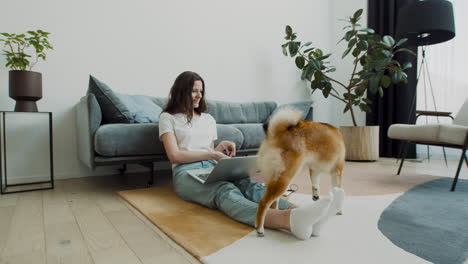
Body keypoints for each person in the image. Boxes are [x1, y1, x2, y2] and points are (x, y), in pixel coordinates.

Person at [159, 71, 344, 240]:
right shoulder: (168, 117)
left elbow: (207, 149)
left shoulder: (208, 119)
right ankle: (288, 220)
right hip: (185, 173)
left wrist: (218, 148)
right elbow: (174, 156)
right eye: (193, 91)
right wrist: (211, 153)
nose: (199, 95)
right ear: (181, 92)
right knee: (224, 190)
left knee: (250, 184)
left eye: (201, 90)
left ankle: (305, 213)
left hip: (211, 166)